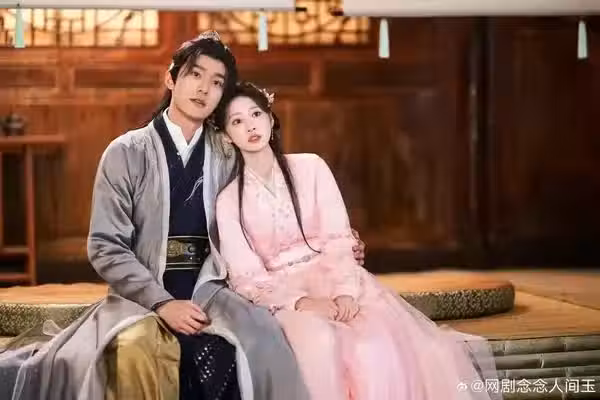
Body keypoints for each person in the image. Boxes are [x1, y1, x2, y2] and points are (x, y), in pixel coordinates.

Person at [0, 31, 366, 400]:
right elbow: (105, 246)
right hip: (140, 294)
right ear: (171, 79)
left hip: (213, 288)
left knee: (265, 338)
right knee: (136, 350)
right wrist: (162, 302)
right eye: (195, 74)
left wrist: (334, 246)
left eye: (217, 82)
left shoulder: (228, 151)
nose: (204, 88)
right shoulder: (127, 152)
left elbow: (268, 206)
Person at [213, 81, 502, 400]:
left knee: (373, 347)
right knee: (320, 341)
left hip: (335, 276)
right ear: (226, 136)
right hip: (282, 297)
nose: (250, 126)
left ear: (270, 117)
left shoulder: (311, 167)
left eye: (256, 114)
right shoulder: (228, 200)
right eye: (237, 121)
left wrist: (345, 292)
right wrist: (302, 302)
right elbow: (247, 276)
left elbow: (337, 237)